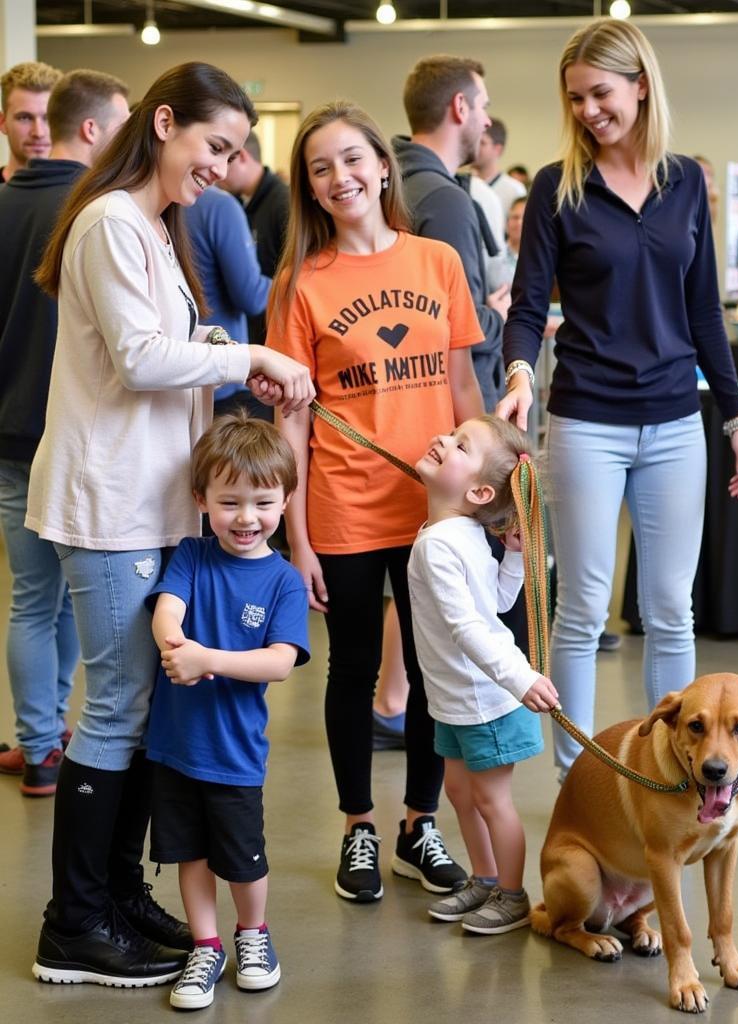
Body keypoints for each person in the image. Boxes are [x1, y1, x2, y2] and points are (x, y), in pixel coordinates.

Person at [26, 61, 314, 988]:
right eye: (215, 146)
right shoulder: (111, 221)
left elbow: (171, 353)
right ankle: (74, 923)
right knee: (116, 704)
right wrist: (254, 348)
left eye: (237, 153)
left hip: (147, 499)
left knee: (139, 705)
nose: (227, 169)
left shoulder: (148, 224)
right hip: (107, 504)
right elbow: (144, 359)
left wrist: (236, 364)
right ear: (161, 124)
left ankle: (112, 896)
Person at [499, 18, 738, 780]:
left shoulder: (686, 181)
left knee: (668, 610)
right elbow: (525, 307)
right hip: (586, 417)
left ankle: (671, 774)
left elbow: (704, 310)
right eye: (575, 98)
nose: (587, 111)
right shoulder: (558, 186)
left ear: (641, 86)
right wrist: (520, 374)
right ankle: (581, 776)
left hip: (678, 420)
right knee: (580, 608)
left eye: (601, 94)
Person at [266, 100, 483, 906]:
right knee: (353, 668)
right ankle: (358, 823)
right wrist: (298, 537)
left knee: (434, 674)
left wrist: (483, 502)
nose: (340, 177)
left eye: (352, 159)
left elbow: (464, 387)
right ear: (309, 188)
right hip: (344, 507)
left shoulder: (436, 263)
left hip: (435, 510)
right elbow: (291, 415)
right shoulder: (302, 283)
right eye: (321, 167)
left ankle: (415, 826)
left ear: (383, 165)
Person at [146, 413, 309, 1009]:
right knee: (189, 853)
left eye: (262, 502)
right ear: (201, 501)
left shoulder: (283, 581)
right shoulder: (191, 554)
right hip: (174, 747)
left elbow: (279, 662)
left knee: (242, 859)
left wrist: (203, 659)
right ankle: (206, 944)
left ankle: (252, 935)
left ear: (285, 500)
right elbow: (167, 609)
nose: (246, 518)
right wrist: (173, 642)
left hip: (236, 754)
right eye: (230, 502)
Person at [0, 69, 129, 795]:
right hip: (73, 437)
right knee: (68, 597)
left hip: (12, 433)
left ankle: (40, 739)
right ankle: (47, 737)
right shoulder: (93, 213)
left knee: (30, 595)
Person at [407, 415, 559, 933]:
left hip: (486, 701)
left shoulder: (440, 543)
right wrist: (513, 559)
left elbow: (470, 626)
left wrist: (518, 680)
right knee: (460, 793)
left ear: (478, 490)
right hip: (455, 699)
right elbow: (496, 600)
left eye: (459, 444)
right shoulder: (460, 532)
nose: (442, 439)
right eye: (451, 434)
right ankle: (485, 877)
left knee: (493, 801)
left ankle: (513, 896)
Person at [392, 56, 508, 412]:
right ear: (460, 106)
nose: (487, 120)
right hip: (457, 406)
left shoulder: (393, 185)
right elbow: (464, 327)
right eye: (483, 106)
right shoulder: (446, 202)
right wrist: (500, 315)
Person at [184, 182, 272, 420]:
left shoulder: (152, 205)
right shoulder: (218, 206)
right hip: (224, 381)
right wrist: (292, 282)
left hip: (179, 378)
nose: (221, 170)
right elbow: (251, 296)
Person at [220, 131, 290, 344]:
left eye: (225, 161)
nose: (218, 172)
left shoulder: (284, 203)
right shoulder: (238, 203)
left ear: (242, 156)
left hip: (277, 335)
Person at [0, 61, 61, 182]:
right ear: (2, 122)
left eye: (48, 118)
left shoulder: (81, 194)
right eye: (24, 118)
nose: (38, 133)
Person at [472, 118, 527, 217]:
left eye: (482, 143)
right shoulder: (463, 184)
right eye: (474, 141)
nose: (475, 147)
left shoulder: (515, 190)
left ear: (498, 149)